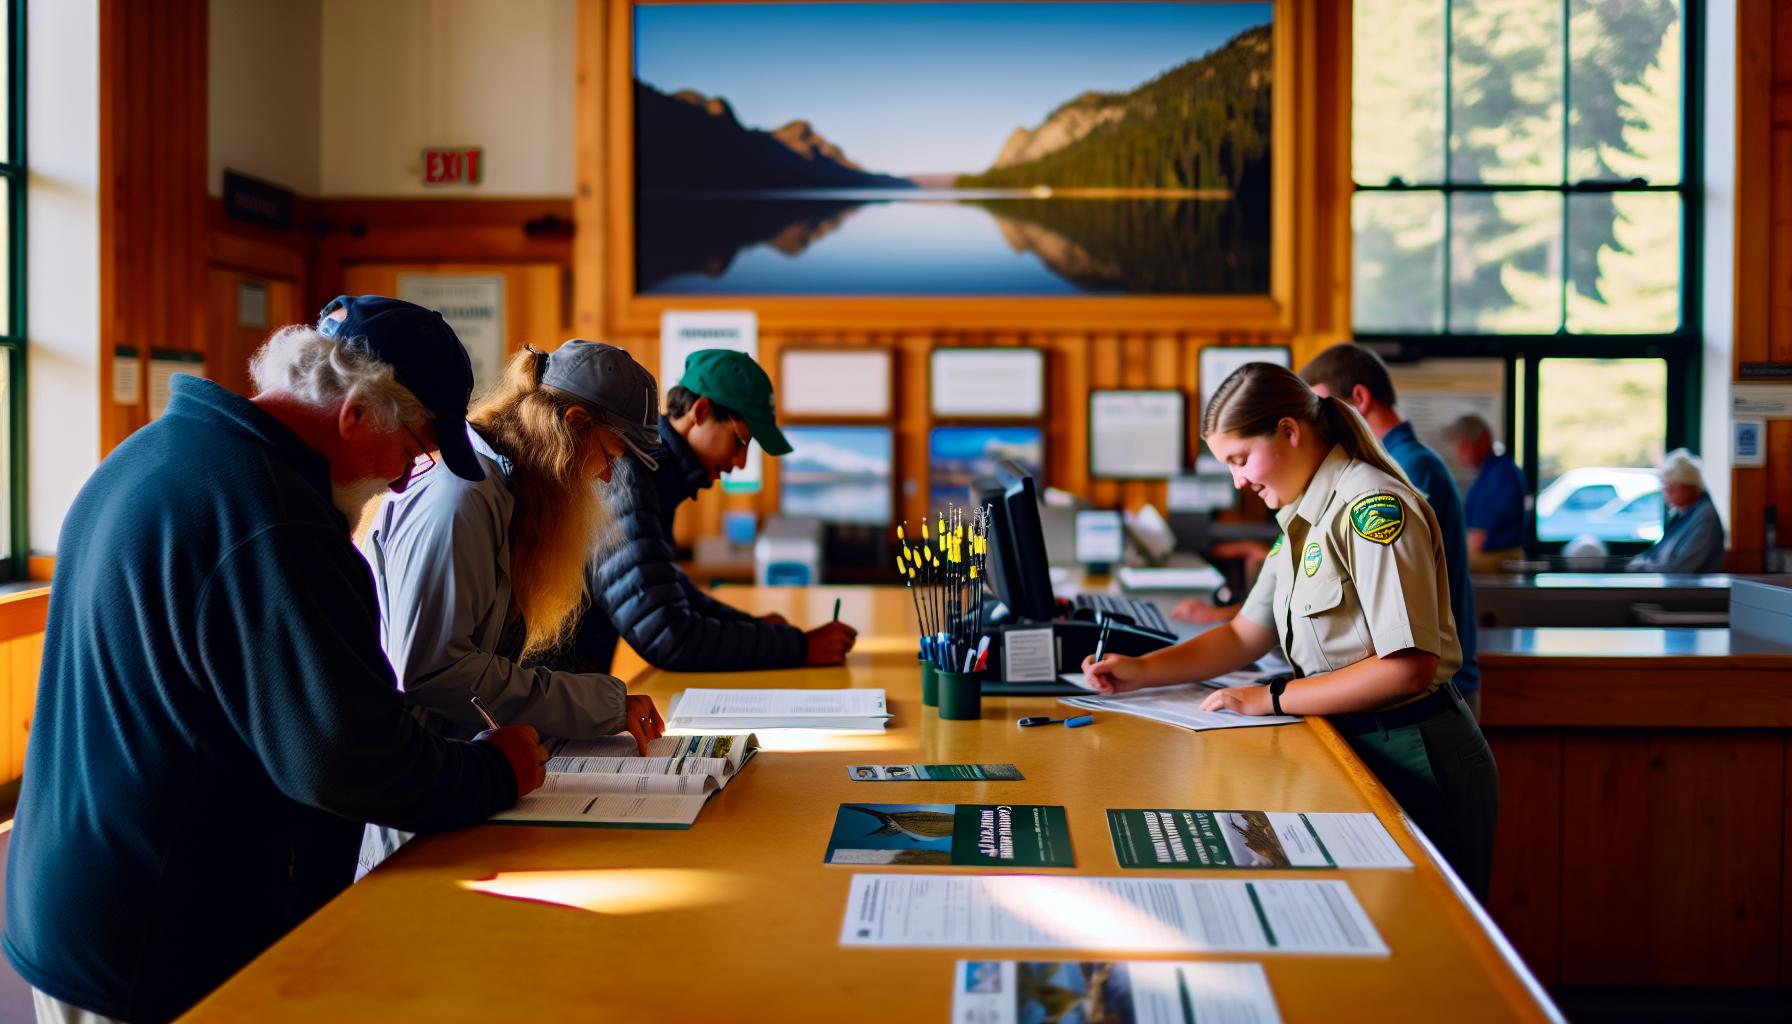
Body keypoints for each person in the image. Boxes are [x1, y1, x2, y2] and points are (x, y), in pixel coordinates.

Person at [4, 300, 545, 1024]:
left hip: (81, 899)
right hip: (150, 938)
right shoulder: (273, 519)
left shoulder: (158, 453)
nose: (405, 479)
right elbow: (347, 758)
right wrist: (496, 770)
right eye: (415, 449)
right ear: (357, 414)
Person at [1083, 363, 1499, 898]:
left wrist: (1274, 697)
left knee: (1434, 945)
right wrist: (1141, 671)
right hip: (1358, 744)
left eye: (1239, 460)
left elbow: (1408, 666)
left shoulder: (1372, 508)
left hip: (1418, 756)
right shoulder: (1301, 519)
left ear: (1288, 431)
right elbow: (1242, 636)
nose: (1238, 481)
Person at [362, 337, 666, 750]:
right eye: (608, 456)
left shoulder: (504, 487)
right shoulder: (463, 497)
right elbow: (433, 672)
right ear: (574, 423)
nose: (607, 477)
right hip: (414, 779)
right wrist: (602, 705)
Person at [582, 349, 858, 671]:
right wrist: (799, 647)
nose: (740, 463)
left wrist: (764, 633)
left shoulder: (653, 475)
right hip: (548, 705)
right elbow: (670, 635)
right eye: (740, 441)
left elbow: (674, 594)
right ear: (700, 411)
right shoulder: (628, 477)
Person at [1299, 343, 1480, 714]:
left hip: (1436, 693)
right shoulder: (1398, 463)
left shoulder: (1399, 471)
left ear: (1359, 398)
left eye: (1322, 409)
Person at [1445, 414, 1527, 572]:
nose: (1458, 454)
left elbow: (1478, 537)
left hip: (1500, 557)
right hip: (1490, 554)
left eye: (1463, 446)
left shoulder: (1500, 475)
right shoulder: (1490, 474)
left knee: (1444, 568)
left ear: (1482, 442)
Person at [1627, 448, 1725, 573]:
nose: (1667, 494)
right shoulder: (1682, 513)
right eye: (1665, 487)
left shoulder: (1705, 516)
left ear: (1691, 487)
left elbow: (1682, 567)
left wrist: (1643, 568)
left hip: (1691, 589)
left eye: (1673, 488)